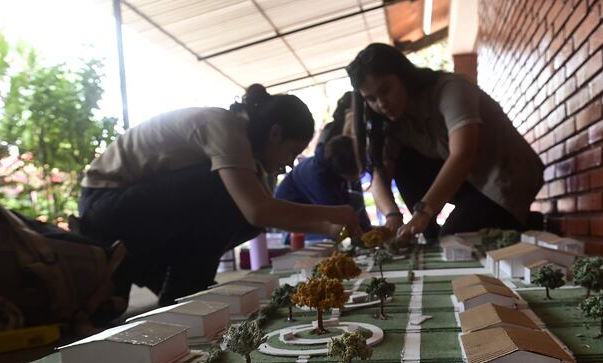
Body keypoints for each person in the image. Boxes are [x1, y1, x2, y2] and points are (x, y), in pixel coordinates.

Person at [78, 84, 361, 308]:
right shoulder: (225, 126)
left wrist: (330, 223)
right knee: (226, 194)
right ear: (275, 133)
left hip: (133, 210)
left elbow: (260, 213)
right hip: (104, 205)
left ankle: (174, 280)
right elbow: (258, 209)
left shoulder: (247, 148)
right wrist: (335, 215)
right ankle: (185, 291)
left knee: (245, 209)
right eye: (292, 153)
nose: (289, 165)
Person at [346, 43, 544, 242]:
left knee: (454, 239)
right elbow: (380, 177)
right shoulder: (395, 122)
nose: (381, 104)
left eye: (386, 90)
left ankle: (531, 224)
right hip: (471, 183)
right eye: (371, 99)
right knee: (405, 162)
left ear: (403, 76)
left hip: (508, 178)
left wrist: (423, 213)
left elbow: (463, 154)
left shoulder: (450, 88)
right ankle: (432, 236)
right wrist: (392, 216)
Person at [275, 93, 371, 239]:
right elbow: (336, 217)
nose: (357, 177)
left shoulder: (335, 167)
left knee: (354, 201)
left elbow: (345, 205)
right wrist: (361, 236)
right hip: (292, 229)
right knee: (337, 231)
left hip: (313, 209)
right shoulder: (319, 178)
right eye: (356, 174)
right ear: (343, 171)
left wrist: (367, 230)